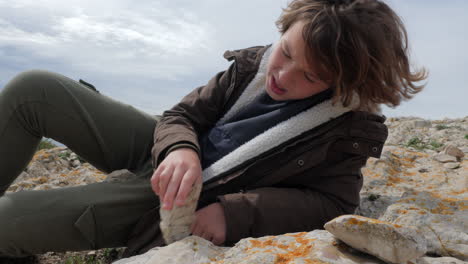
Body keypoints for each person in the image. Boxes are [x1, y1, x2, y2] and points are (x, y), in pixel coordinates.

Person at [0, 0, 426, 261]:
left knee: (6, 223)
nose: (283, 75)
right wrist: (179, 149)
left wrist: (236, 213)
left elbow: (331, 201)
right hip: (169, 159)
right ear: (286, 27)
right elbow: (182, 114)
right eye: (287, 51)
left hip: (181, 198)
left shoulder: (346, 130)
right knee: (33, 88)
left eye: (311, 76)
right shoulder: (252, 66)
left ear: (342, 84)